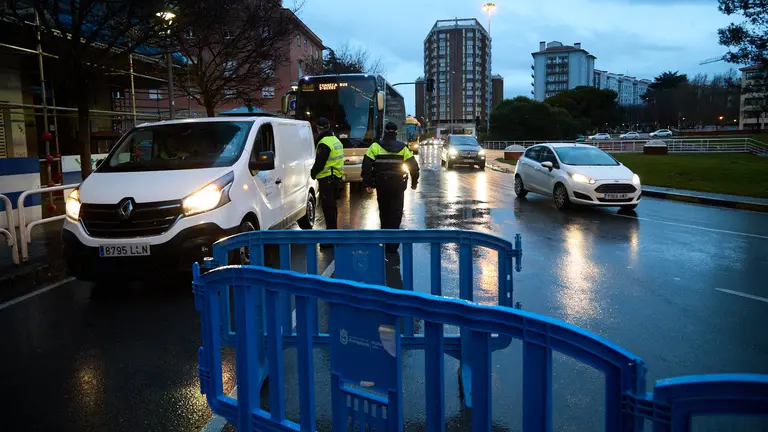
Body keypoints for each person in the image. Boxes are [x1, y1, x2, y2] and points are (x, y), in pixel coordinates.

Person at [362, 121, 420, 253]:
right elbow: (414, 167)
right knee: (395, 213)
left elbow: (366, 165)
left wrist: (368, 183)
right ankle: (393, 246)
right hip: (398, 186)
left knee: (384, 213)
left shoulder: (375, 146)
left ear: (385, 131)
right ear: (396, 132)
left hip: (382, 185)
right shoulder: (403, 148)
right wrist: (414, 182)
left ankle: (385, 241)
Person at [310, 118, 344, 234]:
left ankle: (331, 237)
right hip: (335, 178)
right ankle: (333, 233)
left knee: (328, 208)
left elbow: (320, 162)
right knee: (332, 207)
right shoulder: (336, 141)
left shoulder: (324, 143)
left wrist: (313, 173)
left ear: (319, 129)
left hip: (327, 179)